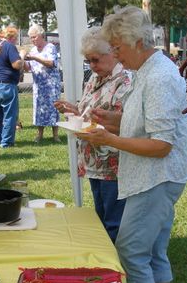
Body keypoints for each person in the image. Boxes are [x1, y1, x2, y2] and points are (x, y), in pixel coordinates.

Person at [78, 6, 187, 283]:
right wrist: (109, 122)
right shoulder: (148, 70)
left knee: (131, 250)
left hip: (156, 175)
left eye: (117, 47)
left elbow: (161, 144)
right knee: (154, 250)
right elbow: (140, 123)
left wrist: (109, 138)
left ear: (137, 42)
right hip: (154, 174)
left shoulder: (157, 77)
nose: (114, 53)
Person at [54, 27, 131, 242]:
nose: (92, 66)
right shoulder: (95, 79)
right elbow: (89, 111)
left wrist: (91, 120)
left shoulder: (125, 81)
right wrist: (75, 111)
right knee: (102, 216)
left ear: (112, 53)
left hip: (113, 161)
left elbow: (127, 123)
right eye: (88, 61)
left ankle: (116, 265)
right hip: (95, 160)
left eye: (95, 60)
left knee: (114, 221)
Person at [0, 25, 26, 148]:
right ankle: (7, 142)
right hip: (7, 85)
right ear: (12, 38)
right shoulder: (9, 46)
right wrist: (22, 56)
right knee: (9, 115)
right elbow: (16, 64)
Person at [24, 24, 61, 143]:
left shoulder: (50, 47)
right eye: (31, 37)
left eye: (34, 37)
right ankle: (40, 134)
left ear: (41, 35)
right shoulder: (33, 50)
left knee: (53, 108)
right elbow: (28, 68)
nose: (32, 40)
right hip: (39, 85)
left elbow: (51, 63)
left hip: (51, 85)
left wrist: (35, 58)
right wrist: (22, 60)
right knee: (39, 109)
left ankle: (55, 135)